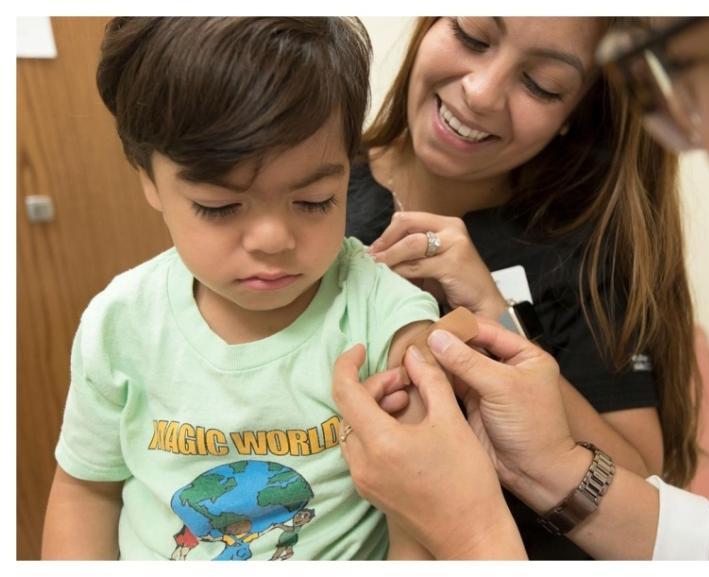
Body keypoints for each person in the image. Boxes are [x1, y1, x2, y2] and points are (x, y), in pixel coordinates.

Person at [333, 16, 709, 559]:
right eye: (472, 35)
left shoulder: (585, 252)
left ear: (576, 113)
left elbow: (642, 482)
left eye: (542, 85)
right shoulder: (311, 190)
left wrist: (499, 316)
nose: (480, 93)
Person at [40, 17, 441, 560]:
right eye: (220, 206)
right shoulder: (121, 321)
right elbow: (86, 489)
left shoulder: (385, 317)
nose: (274, 239)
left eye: (315, 200)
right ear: (148, 181)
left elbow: (425, 516)